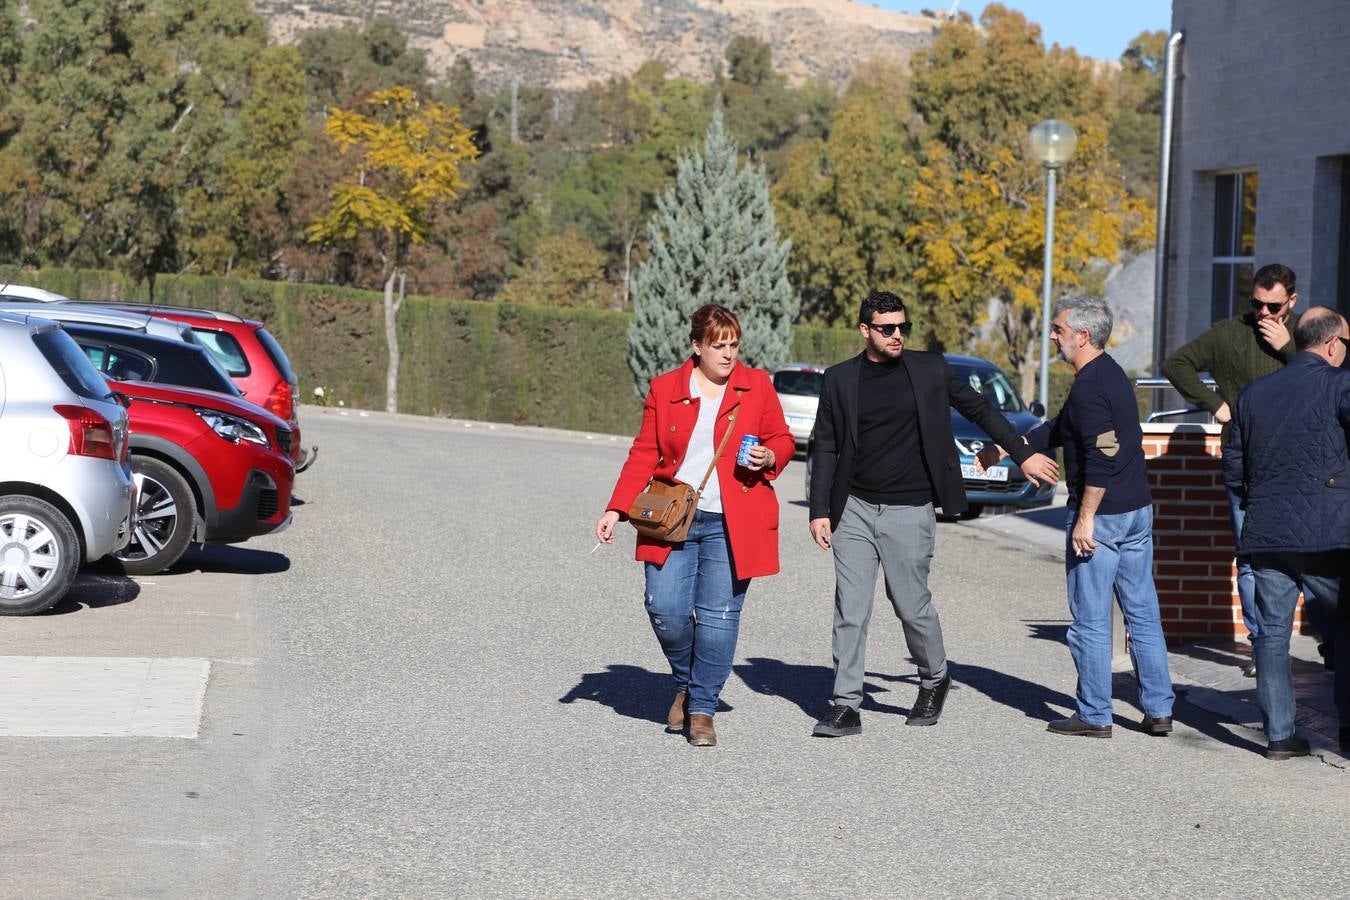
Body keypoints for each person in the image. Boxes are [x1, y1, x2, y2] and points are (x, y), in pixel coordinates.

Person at [807, 290, 1059, 737]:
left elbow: (982, 410)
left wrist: (1021, 453)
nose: (897, 335)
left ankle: (934, 676)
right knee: (851, 607)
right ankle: (845, 705)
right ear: (865, 331)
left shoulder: (929, 370)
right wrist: (820, 509)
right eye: (887, 329)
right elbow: (825, 443)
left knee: (910, 605)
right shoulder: (840, 379)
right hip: (856, 510)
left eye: (903, 327)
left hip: (909, 508)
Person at [595, 304, 793, 748]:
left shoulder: (756, 385)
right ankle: (687, 681)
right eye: (719, 346)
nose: (728, 354)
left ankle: (702, 707)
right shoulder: (666, 389)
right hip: (673, 519)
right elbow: (645, 452)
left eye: (734, 345)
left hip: (734, 521)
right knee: (664, 609)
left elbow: (780, 438)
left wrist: (770, 456)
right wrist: (617, 508)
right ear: (697, 346)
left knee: (719, 618)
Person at [985, 296, 1175, 738]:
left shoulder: (1091, 386)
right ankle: (1159, 710)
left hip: (1104, 518)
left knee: (1090, 619)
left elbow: (1102, 454)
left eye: (1058, 330)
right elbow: (1060, 427)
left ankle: (1094, 714)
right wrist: (1008, 448)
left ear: (1082, 336)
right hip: (1135, 514)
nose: (1053, 336)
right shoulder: (1108, 375)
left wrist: (1086, 517)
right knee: (1142, 614)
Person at [1162, 263, 1311, 675]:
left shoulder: (1306, 334)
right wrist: (1218, 407)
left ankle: (1328, 646)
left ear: (1292, 301)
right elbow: (1176, 364)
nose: (1264, 313)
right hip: (1243, 458)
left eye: (1274, 306)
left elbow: (1329, 380)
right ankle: (1262, 644)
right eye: (1257, 304)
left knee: (1310, 552)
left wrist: (1289, 348)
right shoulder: (1229, 333)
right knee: (1248, 555)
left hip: (1300, 461)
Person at [1222, 307, 1350, 759]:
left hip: (1266, 532)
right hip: (1329, 535)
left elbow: (1234, 469)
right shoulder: (1340, 383)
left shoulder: (1254, 394)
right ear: (1333, 344)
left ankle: (1279, 736)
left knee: (1271, 637)